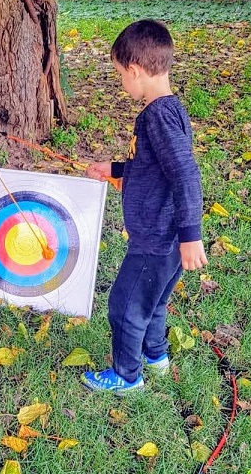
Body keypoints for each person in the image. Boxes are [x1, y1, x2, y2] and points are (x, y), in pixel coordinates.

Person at [82, 20, 207, 393]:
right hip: (165, 238)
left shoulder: (156, 116)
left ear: (135, 71)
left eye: (121, 74)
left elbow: (185, 174)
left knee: (125, 305)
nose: (122, 82)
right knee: (153, 302)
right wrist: (116, 170)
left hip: (157, 239)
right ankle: (155, 355)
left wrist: (191, 237)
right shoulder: (170, 109)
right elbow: (156, 167)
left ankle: (126, 375)